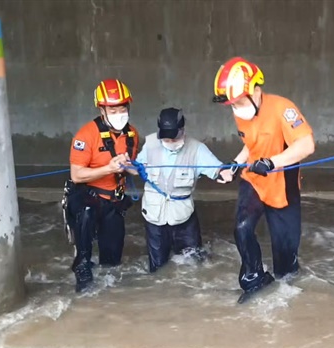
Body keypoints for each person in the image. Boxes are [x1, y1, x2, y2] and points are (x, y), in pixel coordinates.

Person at [212, 57, 316, 303]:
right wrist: (236, 164)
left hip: (282, 185)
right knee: (242, 229)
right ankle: (254, 279)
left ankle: (286, 293)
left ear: (255, 90)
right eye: (231, 104)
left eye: (237, 102)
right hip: (254, 180)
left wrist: (272, 163)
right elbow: (252, 145)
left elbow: (307, 145)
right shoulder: (242, 111)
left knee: (285, 256)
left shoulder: (283, 109)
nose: (235, 108)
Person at [129, 107, 234, 273]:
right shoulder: (150, 144)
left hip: (184, 218)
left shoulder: (197, 149)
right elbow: (136, 168)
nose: (170, 142)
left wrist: (226, 173)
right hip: (154, 216)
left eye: (174, 138)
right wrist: (125, 165)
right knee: (157, 269)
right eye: (166, 139)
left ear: (182, 130)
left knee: (193, 267)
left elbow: (218, 169)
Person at [63, 78, 140, 292]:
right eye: (112, 110)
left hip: (114, 199)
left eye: (122, 109)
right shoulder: (86, 135)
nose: (119, 114)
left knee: (113, 261)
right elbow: (77, 175)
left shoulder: (132, 134)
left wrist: (134, 168)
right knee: (85, 216)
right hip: (88, 195)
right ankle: (82, 266)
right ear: (102, 110)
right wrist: (109, 168)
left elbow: (131, 164)